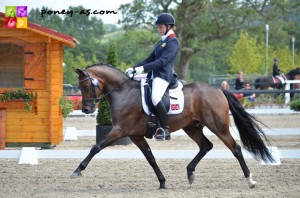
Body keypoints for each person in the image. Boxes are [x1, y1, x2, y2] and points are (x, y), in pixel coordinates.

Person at [126, 13, 180, 141]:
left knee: (156, 98)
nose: (158, 29)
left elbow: (163, 61)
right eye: (158, 27)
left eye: (160, 27)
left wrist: (143, 69)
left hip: (163, 75)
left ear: (168, 26)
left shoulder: (173, 41)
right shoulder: (161, 42)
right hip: (153, 75)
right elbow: (149, 59)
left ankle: (166, 129)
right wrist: (134, 68)